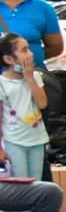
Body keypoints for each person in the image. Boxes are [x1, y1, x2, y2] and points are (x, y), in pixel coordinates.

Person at [2, 32, 47, 180]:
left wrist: (29, 79)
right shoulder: (2, 83)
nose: (31, 54)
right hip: (13, 140)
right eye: (24, 50)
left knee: (36, 183)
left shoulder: (34, 77)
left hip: (37, 138)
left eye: (28, 48)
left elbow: (42, 103)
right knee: (21, 184)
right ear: (8, 59)